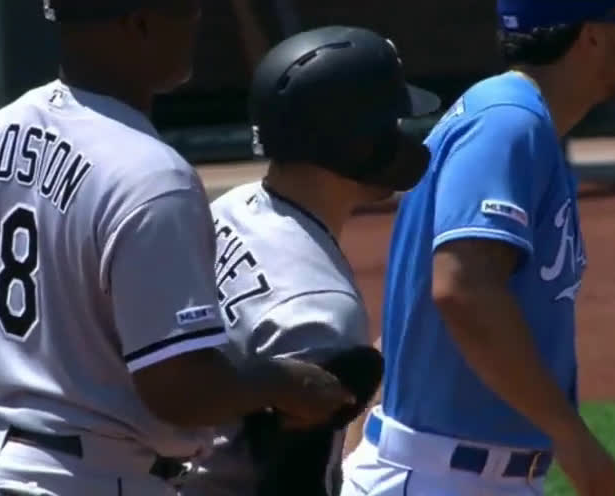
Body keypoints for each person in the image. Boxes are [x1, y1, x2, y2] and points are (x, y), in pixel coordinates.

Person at [0, 2, 353, 495]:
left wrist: (25, 411)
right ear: (138, 22)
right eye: (186, 9)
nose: (196, 21)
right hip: (83, 479)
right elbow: (178, 390)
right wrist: (284, 383)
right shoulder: (153, 176)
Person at [342, 1, 615, 495]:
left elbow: (409, 325)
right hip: (444, 478)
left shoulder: (511, 118)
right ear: (591, 35)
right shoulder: (508, 123)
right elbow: (463, 289)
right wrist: (574, 440)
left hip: (446, 473)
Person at [178, 25, 440, 496]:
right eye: (391, 125)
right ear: (355, 142)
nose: (403, 138)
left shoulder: (231, 209)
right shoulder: (320, 309)